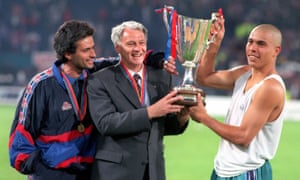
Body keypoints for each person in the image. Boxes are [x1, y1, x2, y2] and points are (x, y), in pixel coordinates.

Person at [8, 20, 168, 180]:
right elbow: (20, 147)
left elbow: (126, 58)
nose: (93, 54)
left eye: (93, 47)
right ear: (68, 54)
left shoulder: (97, 72)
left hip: (89, 173)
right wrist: (46, 174)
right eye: (86, 50)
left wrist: (158, 59)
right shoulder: (40, 87)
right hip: (52, 175)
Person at [87, 20, 190, 180]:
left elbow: (160, 126)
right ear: (117, 47)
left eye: (141, 43)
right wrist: (150, 112)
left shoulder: (162, 76)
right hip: (116, 173)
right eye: (130, 44)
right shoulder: (100, 79)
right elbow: (106, 123)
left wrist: (181, 118)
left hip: (153, 172)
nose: (137, 49)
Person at [188, 13, 286, 180]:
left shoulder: (271, 87)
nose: (253, 48)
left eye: (261, 44)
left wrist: (204, 118)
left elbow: (243, 136)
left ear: (276, 51)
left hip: (248, 172)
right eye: (250, 42)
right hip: (222, 169)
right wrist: (215, 43)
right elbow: (203, 77)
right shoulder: (244, 74)